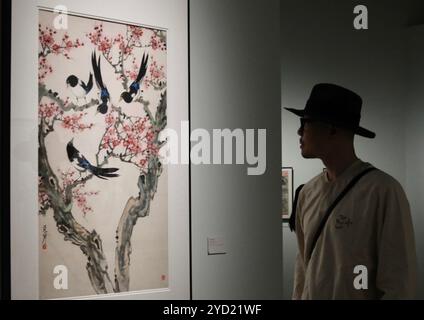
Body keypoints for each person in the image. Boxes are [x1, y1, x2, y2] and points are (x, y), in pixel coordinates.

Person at [284, 83, 417, 299]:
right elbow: (303, 266)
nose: (299, 132)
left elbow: (398, 282)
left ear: (332, 129)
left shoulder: (382, 191)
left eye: (305, 123)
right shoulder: (308, 192)